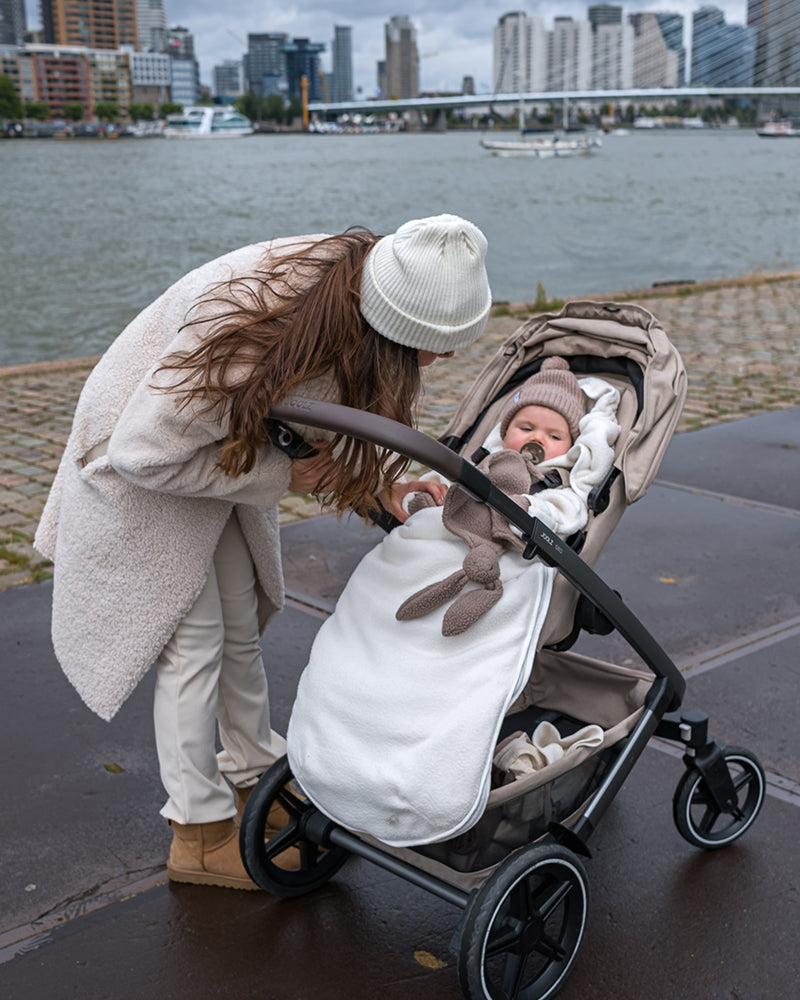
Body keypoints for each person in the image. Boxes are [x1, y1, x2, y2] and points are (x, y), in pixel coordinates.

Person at [34, 213, 492, 890]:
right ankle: (196, 832)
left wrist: (383, 485)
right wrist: (287, 476)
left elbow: (315, 414)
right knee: (191, 647)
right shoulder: (253, 327)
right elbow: (141, 454)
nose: (446, 359)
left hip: (210, 459)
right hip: (144, 460)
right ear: (393, 324)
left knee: (238, 625)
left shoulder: (351, 289)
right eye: (434, 347)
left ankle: (254, 770)